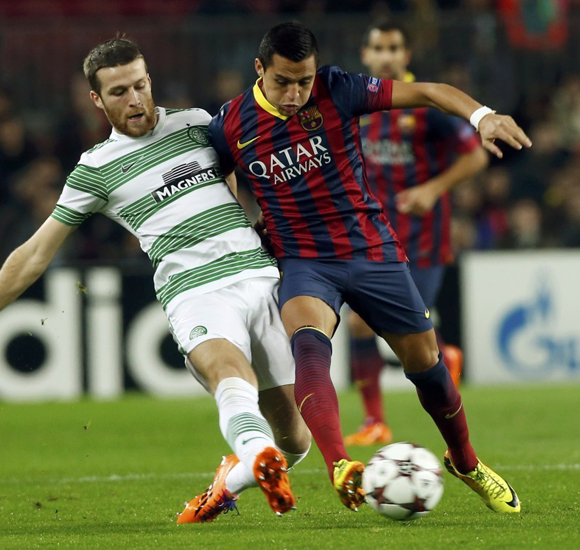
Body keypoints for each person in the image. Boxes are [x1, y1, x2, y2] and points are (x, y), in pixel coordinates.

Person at [0, 37, 311, 523]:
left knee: (295, 441)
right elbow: (36, 252)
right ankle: (255, 451)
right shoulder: (95, 169)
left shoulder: (197, 125)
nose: (136, 99)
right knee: (230, 371)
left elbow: (235, 176)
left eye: (140, 85)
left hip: (257, 276)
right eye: (119, 92)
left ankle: (238, 473)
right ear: (96, 99)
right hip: (194, 292)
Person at [208, 22, 528, 513]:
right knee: (309, 345)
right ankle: (340, 464)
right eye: (283, 81)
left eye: (303, 80)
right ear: (259, 70)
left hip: (370, 247)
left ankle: (465, 460)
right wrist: (244, 224)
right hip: (302, 260)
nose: (295, 93)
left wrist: (481, 115)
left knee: (430, 369)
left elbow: (429, 92)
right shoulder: (230, 123)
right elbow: (223, 172)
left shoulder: (338, 88)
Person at [344, 20, 490, 447]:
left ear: (405, 56)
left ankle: (443, 354)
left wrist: (432, 188)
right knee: (358, 324)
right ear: (366, 55)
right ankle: (375, 421)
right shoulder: (358, 106)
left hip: (423, 236)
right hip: (371, 236)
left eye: (394, 47)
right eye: (378, 48)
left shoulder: (424, 105)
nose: (386, 55)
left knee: (408, 327)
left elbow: (476, 157)